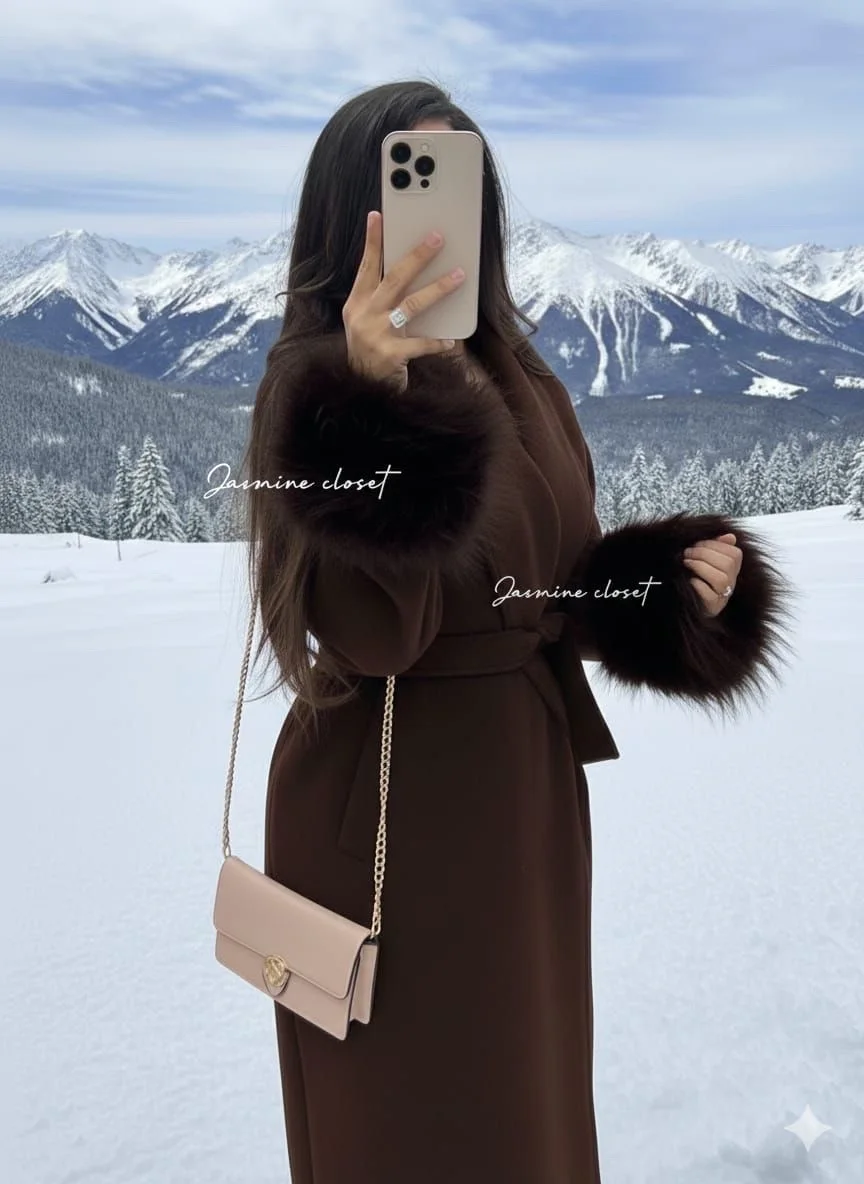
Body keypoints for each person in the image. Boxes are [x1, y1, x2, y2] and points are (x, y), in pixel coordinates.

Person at [242, 80, 795, 1184]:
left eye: (463, 185)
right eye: (412, 180)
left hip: (521, 796)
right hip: (385, 808)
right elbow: (368, 632)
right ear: (354, 208)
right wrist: (378, 398)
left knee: (523, 1104)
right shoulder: (313, 384)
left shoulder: (520, 373)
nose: (442, 215)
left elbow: (550, 585)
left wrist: (672, 591)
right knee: (409, 1123)